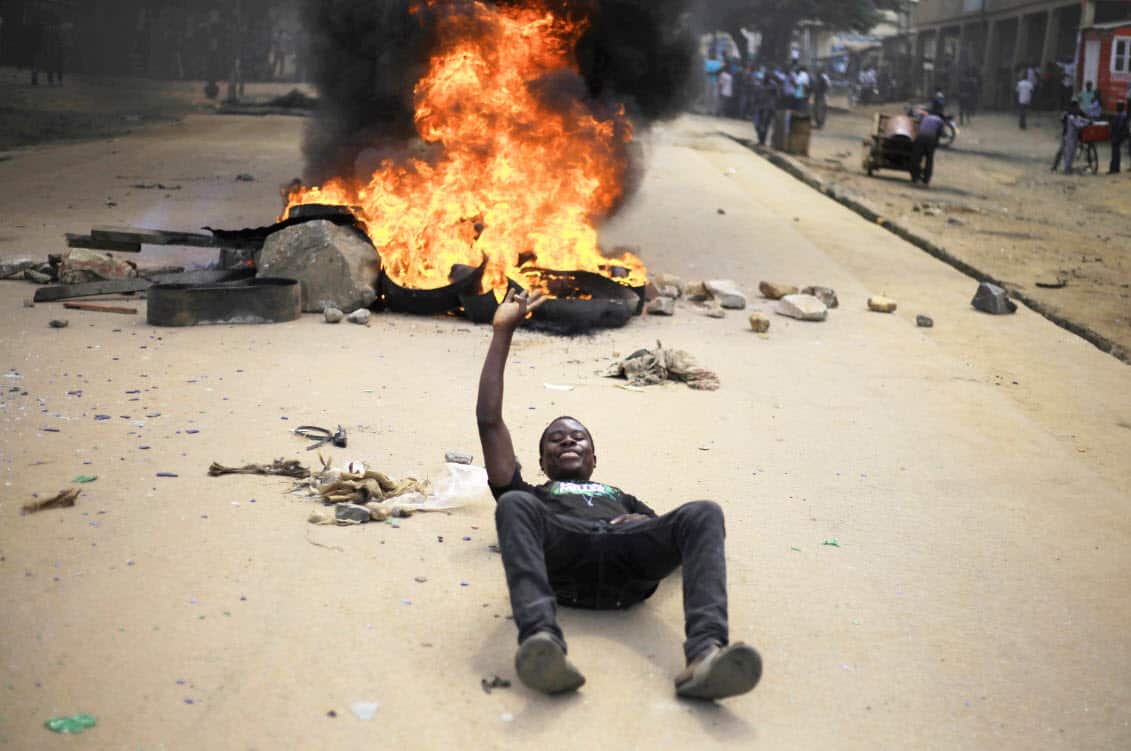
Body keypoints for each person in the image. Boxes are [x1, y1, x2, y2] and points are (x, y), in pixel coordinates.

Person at [477, 289, 762, 700]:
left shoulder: (620, 496)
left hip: (628, 564)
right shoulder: (531, 493)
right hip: (565, 554)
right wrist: (503, 332)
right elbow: (489, 422)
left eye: (578, 437)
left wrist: (645, 523)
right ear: (542, 461)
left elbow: (674, 536)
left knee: (703, 512)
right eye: (555, 440)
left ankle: (706, 657)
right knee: (512, 504)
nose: (568, 441)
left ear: (594, 458)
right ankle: (541, 645)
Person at [912, 110, 944, 185]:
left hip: (920, 138)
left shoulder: (925, 117)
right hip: (930, 140)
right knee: (929, 160)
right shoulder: (940, 121)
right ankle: (926, 179)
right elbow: (941, 134)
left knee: (916, 158)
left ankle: (915, 177)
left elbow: (919, 128)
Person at [1062, 101, 1091, 174]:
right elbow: (1078, 125)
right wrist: (1086, 124)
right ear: (1073, 108)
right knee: (1069, 153)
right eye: (1076, 108)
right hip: (1070, 138)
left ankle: (1069, 167)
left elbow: (1084, 120)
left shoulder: (1077, 117)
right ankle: (1067, 168)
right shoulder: (1071, 117)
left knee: (1072, 153)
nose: (1077, 109)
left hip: (1074, 138)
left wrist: (1089, 122)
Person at [751, 70, 778, 146]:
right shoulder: (759, 84)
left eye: (768, 76)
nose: (767, 77)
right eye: (766, 76)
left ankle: (762, 141)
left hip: (768, 107)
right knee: (757, 125)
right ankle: (760, 139)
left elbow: (777, 96)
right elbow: (755, 95)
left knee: (765, 125)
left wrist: (774, 107)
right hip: (759, 107)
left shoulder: (773, 85)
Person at [1108, 101, 1128, 174]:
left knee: (1115, 152)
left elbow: (1118, 126)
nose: (1117, 107)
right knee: (1117, 152)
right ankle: (1116, 168)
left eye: (1118, 106)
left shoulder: (1121, 116)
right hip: (1119, 136)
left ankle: (1114, 168)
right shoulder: (1123, 115)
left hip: (1117, 136)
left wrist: (1114, 135)